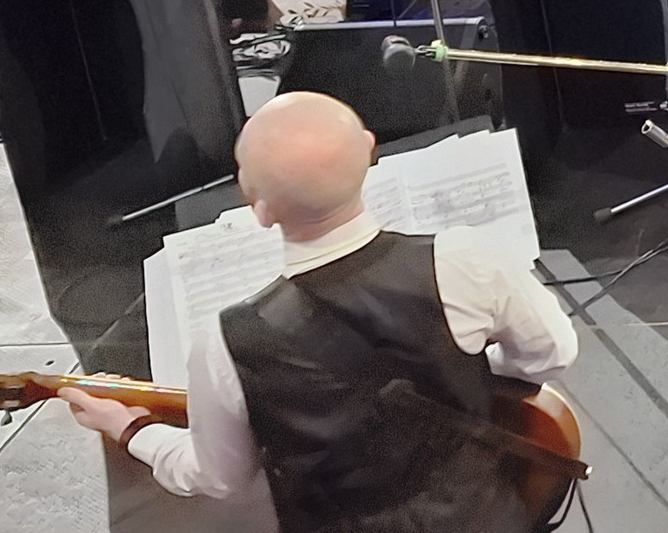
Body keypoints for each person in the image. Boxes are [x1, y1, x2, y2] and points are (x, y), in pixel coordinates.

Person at [56, 90, 581, 527]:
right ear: (370, 151)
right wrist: (469, 371)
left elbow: (220, 476)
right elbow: (550, 355)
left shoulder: (228, 339)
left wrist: (133, 430)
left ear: (258, 209)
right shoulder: (462, 261)